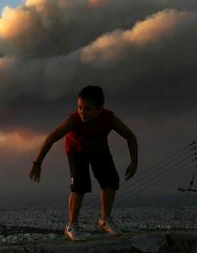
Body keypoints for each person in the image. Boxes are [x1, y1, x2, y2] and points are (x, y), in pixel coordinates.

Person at [29, 85, 138, 241]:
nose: (82, 112)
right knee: (79, 185)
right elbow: (50, 138)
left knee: (110, 181)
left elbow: (130, 136)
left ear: (99, 109)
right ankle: (71, 226)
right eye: (79, 107)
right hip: (76, 150)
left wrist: (134, 163)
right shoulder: (73, 120)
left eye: (87, 109)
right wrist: (37, 163)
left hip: (99, 149)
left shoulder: (109, 118)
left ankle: (105, 220)